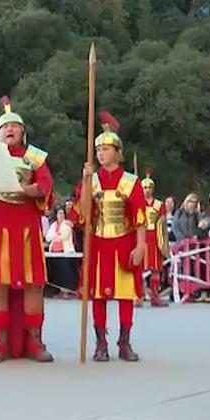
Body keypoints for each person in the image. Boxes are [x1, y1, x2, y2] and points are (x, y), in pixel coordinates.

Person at [0, 95, 55, 363]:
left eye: (14, 126)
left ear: (22, 131)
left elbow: (46, 186)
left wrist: (27, 189)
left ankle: (34, 341)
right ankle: (1, 343)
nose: (9, 130)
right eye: (4, 127)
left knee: (32, 286)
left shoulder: (34, 156)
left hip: (25, 228)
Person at [71, 111, 147, 362]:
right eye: (98, 149)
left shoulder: (131, 181)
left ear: (117, 151)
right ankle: (100, 343)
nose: (101, 153)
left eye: (105, 148)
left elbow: (139, 216)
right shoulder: (91, 181)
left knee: (125, 293)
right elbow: (83, 212)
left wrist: (140, 245)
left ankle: (124, 343)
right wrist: (85, 180)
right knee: (99, 294)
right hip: (99, 241)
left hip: (124, 240)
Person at [141, 171, 169, 307]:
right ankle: (138, 296)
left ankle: (155, 297)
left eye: (149, 187)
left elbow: (162, 225)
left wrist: (163, 243)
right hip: (141, 237)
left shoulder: (159, 205)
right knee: (138, 268)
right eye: (145, 187)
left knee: (155, 269)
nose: (147, 190)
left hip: (155, 237)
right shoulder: (137, 203)